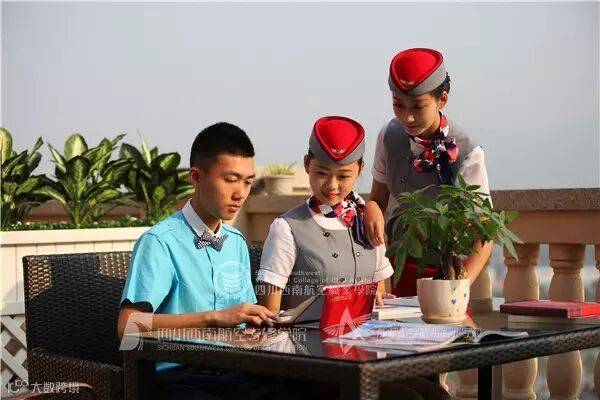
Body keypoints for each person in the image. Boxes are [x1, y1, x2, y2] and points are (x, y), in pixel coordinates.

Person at [117, 122, 281, 400]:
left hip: (237, 370)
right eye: (230, 180)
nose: (240, 193)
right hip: (178, 376)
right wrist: (212, 318)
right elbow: (128, 327)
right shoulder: (159, 242)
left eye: (247, 181)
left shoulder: (236, 242)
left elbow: (243, 319)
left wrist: (263, 321)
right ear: (195, 177)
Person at [363, 47, 494, 296]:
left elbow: (485, 232)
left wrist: (461, 287)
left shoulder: (467, 151)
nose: (408, 118)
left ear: (442, 99)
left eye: (418, 107)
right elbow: (378, 198)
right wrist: (371, 207)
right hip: (399, 260)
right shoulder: (389, 135)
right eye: (398, 105)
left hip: (447, 270)